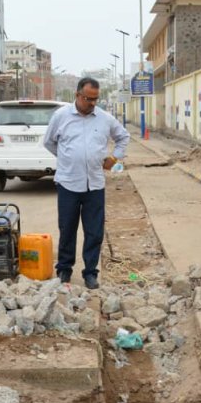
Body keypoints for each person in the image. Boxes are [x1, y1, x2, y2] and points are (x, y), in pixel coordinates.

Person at [44, 77, 130, 290]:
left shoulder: (104, 118)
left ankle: (90, 273)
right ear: (77, 95)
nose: (92, 103)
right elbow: (49, 142)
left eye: (95, 99)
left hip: (95, 184)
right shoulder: (61, 116)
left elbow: (123, 137)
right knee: (67, 228)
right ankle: (64, 269)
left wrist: (114, 158)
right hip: (68, 183)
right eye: (87, 98)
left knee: (94, 231)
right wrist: (67, 158)